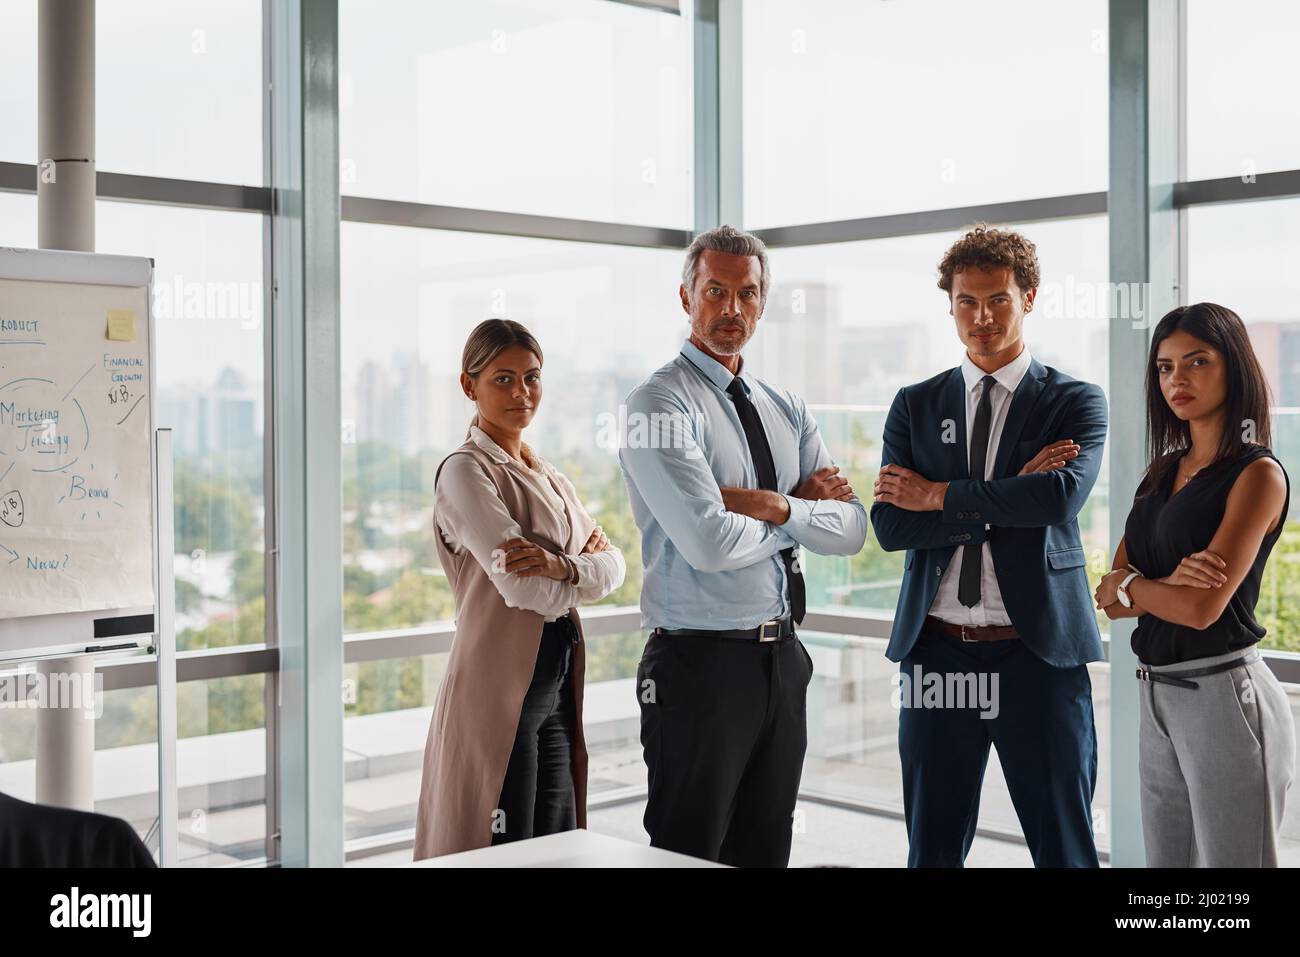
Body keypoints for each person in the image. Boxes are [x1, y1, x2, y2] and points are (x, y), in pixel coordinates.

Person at [618, 224, 868, 867]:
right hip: (699, 667)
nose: (732, 309)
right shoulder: (660, 403)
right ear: (686, 297)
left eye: (748, 294)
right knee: (688, 852)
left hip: (782, 659)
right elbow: (707, 543)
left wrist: (770, 503)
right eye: (716, 291)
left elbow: (853, 529)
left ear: (763, 301)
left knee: (765, 849)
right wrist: (803, 511)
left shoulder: (786, 405)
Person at [871, 223, 1107, 867]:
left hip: (1038, 658)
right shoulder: (915, 405)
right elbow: (891, 526)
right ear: (949, 305)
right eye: (966, 302)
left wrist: (940, 495)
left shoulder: (1075, 402)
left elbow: (1057, 500)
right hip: (936, 655)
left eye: (998, 299)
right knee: (933, 850)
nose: (982, 317)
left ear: (1028, 297)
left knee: (1064, 847)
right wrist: (1005, 495)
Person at [413, 319, 626, 859]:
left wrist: (562, 568)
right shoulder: (465, 472)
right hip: (499, 690)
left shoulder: (549, 473)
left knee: (556, 844)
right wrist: (578, 566)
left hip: (555, 689)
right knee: (499, 846)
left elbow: (618, 566)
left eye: (531, 378)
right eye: (503, 379)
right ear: (470, 385)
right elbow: (523, 593)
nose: (521, 393)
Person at [1095, 302, 1294, 867]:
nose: (1176, 379)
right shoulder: (1160, 473)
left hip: (1224, 698)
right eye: (1164, 367)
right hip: (1155, 694)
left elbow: (1203, 608)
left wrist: (1138, 584)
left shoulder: (1258, 474)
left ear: (1233, 368)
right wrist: (1154, 586)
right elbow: (1108, 599)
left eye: (1196, 362)